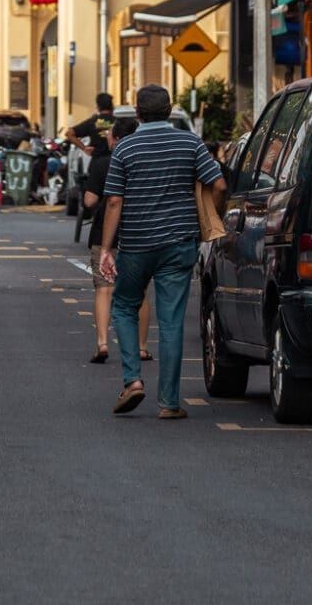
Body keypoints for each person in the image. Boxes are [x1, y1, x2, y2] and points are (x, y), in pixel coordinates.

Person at [98, 84, 226, 419]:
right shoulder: (190, 143)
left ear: (137, 113)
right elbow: (219, 184)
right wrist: (212, 218)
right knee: (171, 322)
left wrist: (107, 249)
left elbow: (114, 201)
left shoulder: (125, 149)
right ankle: (169, 403)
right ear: (169, 111)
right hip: (179, 244)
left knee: (124, 306)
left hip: (136, 244)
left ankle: (133, 381)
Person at [83, 115, 149, 364]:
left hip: (105, 233)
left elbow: (90, 200)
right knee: (139, 291)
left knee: (104, 288)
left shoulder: (103, 164)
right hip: (139, 232)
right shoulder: (145, 161)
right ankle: (141, 347)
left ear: (116, 139)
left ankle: (102, 342)